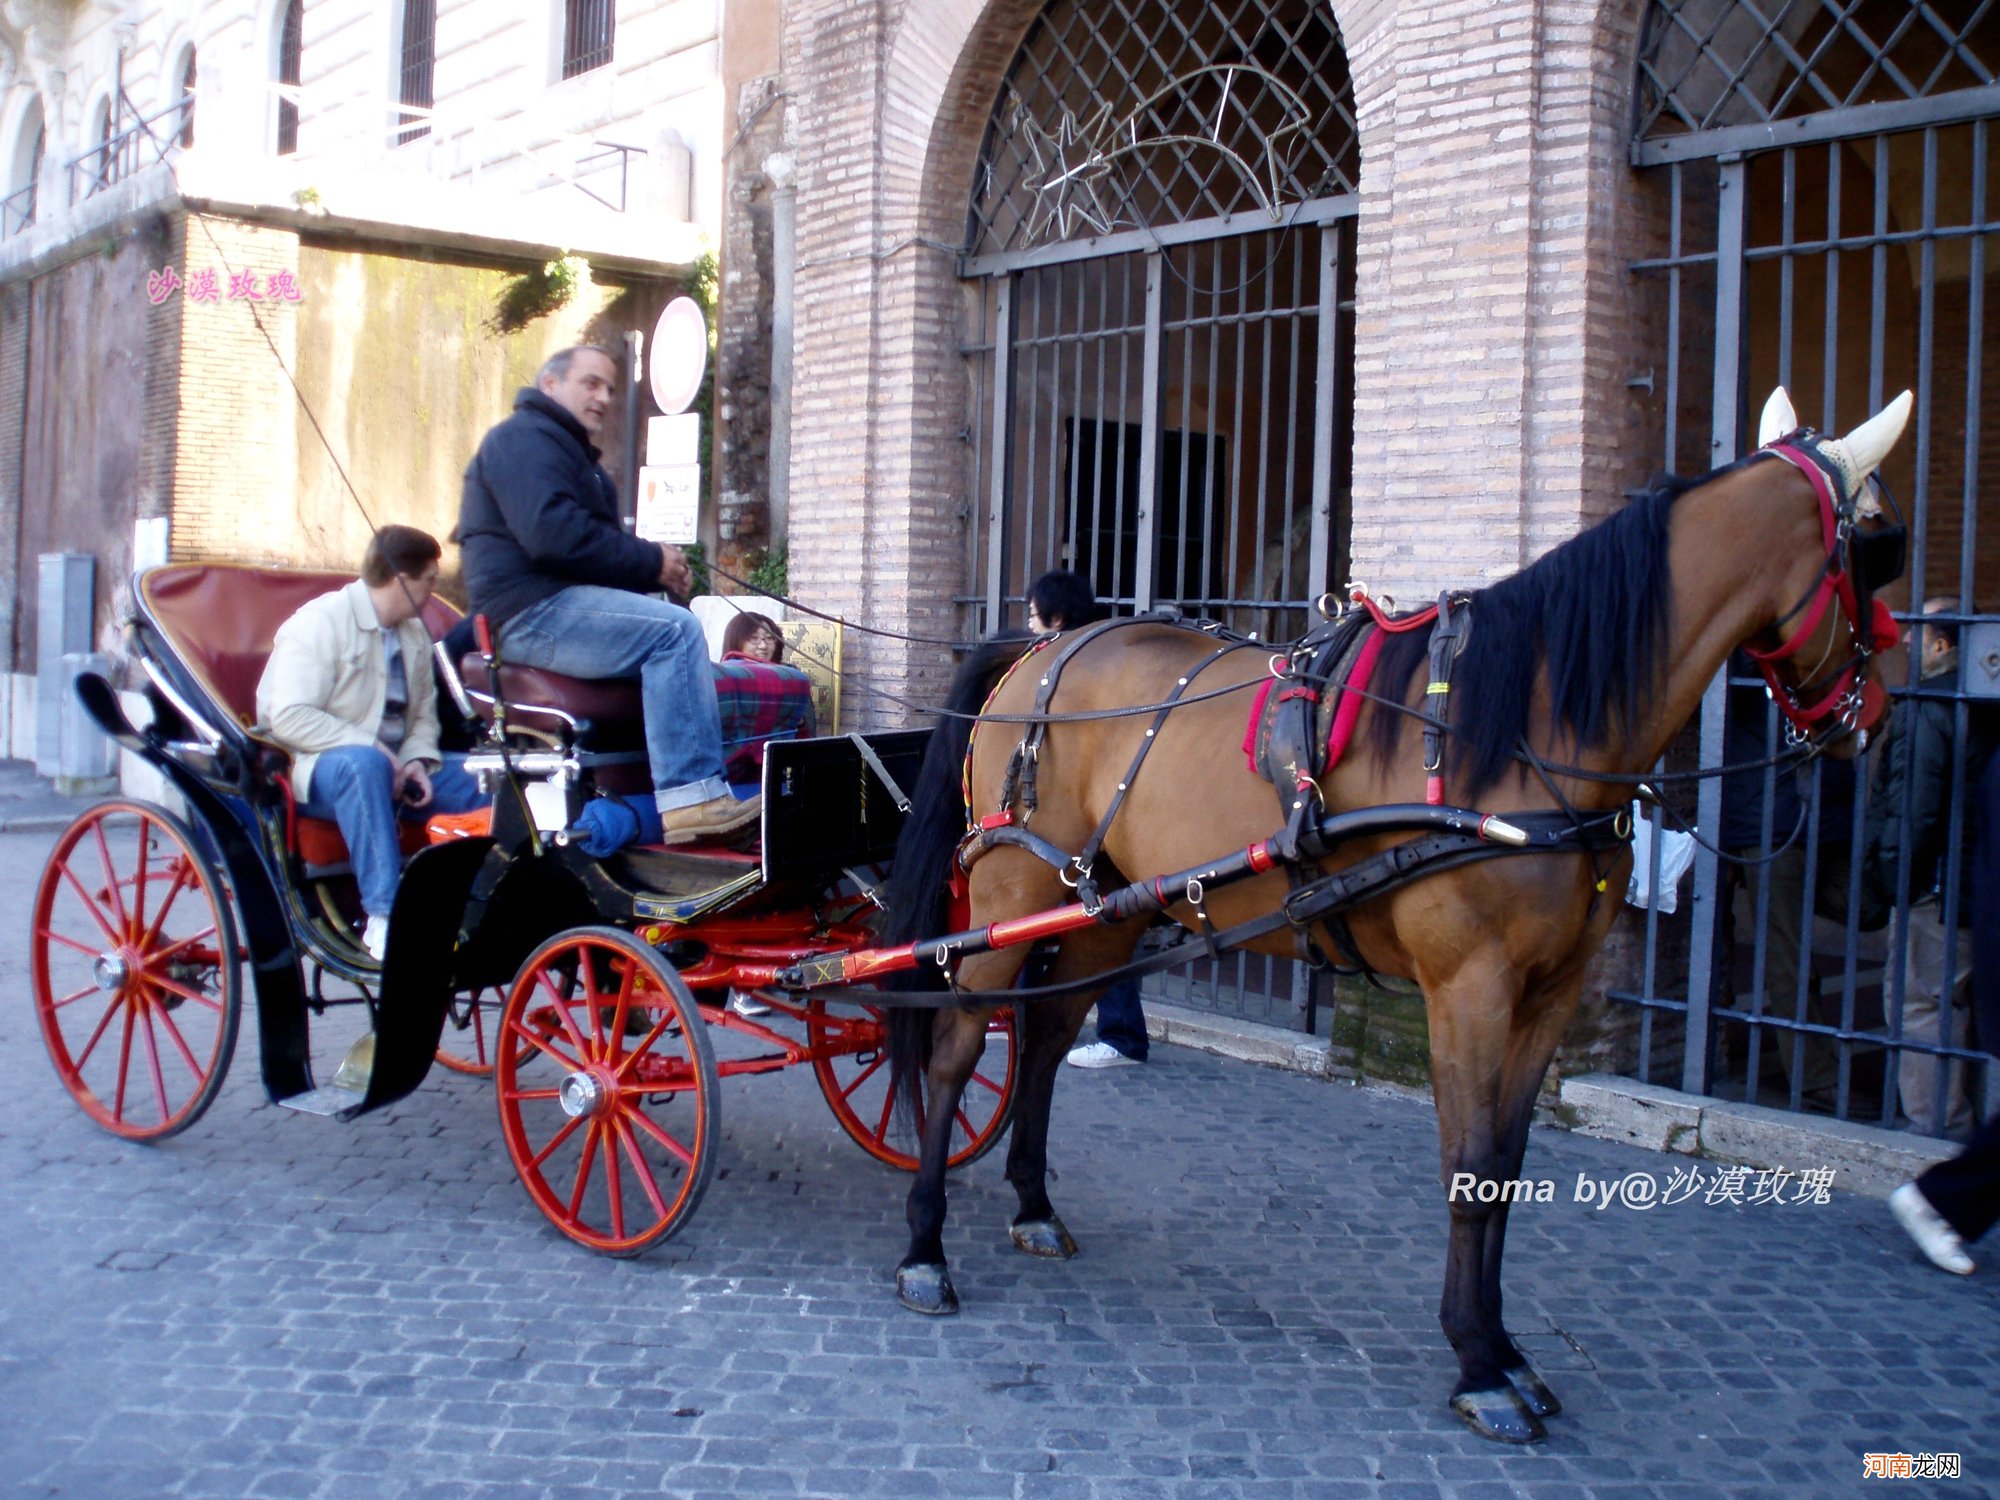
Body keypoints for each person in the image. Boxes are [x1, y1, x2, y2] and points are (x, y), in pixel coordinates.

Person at [456, 345, 757, 842]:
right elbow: (553, 536)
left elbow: (593, 551)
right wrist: (651, 562)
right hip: (530, 612)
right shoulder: (523, 439)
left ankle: (673, 792)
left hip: (556, 603)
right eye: (591, 383)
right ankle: (692, 800)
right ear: (549, 384)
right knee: (675, 632)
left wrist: (658, 574)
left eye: (611, 389)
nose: (604, 397)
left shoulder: (566, 452)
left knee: (667, 622)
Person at [255, 526, 488, 961]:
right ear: (401, 578)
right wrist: (373, 749)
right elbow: (286, 716)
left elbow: (423, 715)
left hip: (399, 770)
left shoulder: (415, 634)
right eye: (429, 580)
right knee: (363, 766)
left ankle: (486, 904)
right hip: (325, 773)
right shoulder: (318, 623)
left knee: (488, 779)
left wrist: (418, 760)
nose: (434, 590)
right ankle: (383, 916)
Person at [1866, 599, 1989, 1138]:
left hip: (1936, 888)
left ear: (1944, 644)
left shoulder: (1927, 707)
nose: (1907, 641)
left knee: (1920, 1005)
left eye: (1919, 633)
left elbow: (1912, 811)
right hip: (1981, 880)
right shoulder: (1988, 700)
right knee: (1973, 1005)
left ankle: (1935, 1131)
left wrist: (1894, 883)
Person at [1023, 569, 1152, 1070]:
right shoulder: (1101, 657)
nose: (1029, 629)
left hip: (1089, 820)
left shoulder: (1074, 668)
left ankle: (1121, 1036)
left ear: (1055, 618)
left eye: (1033, 618)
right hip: (1086, 816)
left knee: (1104, 921)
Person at [1888, 748, 2000, 1274]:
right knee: (1922, 1003)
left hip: (1948, 888)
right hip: (1942, 892)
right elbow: (1916, 807)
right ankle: (1940, 1192)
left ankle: (1942, 1190)